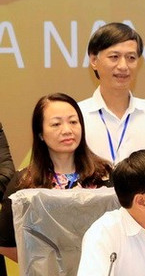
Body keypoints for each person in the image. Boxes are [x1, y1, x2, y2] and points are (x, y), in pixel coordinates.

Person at [0, 94, 113, 266]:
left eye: (73, 122)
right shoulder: (24, 183)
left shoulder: (105, 175)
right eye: (56, 124)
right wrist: (45, 265)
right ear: (40, 134)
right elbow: (5, 242)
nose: (67, 130)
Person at [79, 23, 145, 163]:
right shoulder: (77, 116)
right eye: (114, 57)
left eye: (131, 58)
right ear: (93, 60)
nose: (123, 66)